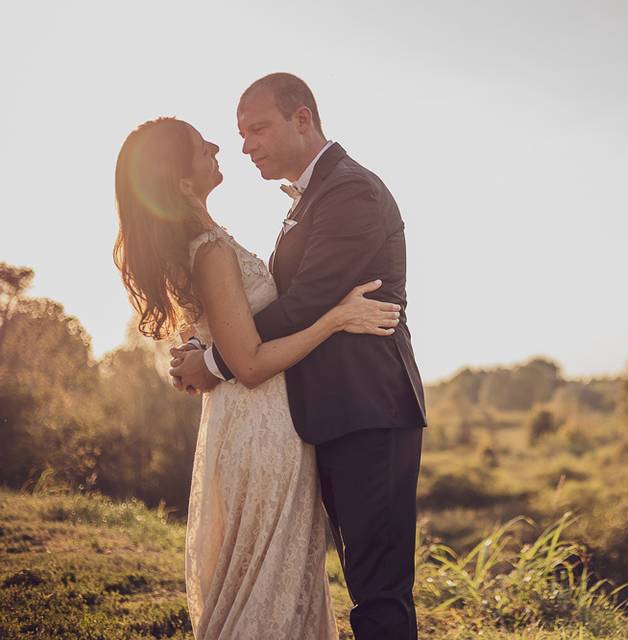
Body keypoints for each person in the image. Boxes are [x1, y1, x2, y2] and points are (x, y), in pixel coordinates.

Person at [114, 116, 402, 638]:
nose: (220, 145)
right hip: (262, 425)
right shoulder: (211, 249)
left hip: (249, 423)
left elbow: (231, 333)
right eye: (202, 146)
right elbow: (248, 363)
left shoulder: (201, 245)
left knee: (266, 573)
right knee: (268, 578)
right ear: (181, 182)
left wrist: (206, 350)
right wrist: (336, 318)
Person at [170, 72, 427, 640]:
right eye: (240, 134)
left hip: (369, 412)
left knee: (379, 591)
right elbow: (271, 301)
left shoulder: (350, 191)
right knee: (354, 582)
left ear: (303, 119)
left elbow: (307, 302)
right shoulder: (312, 196)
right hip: (322, 416)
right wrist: (205, 340)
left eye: (258, 128)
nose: (245, 146)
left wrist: (214, 362)